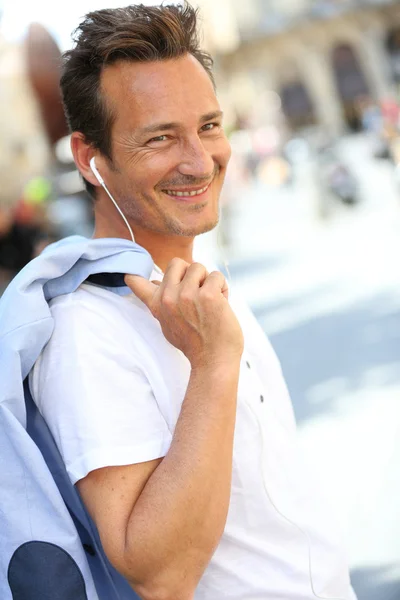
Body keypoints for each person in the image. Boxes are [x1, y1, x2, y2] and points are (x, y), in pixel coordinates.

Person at [29, 4, 357, 600]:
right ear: (89, 158)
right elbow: (158, 576)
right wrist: (213, 365)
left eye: (208, 126)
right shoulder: (87, 330)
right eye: (160, 137)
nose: (201, 159)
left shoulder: (198, 283)